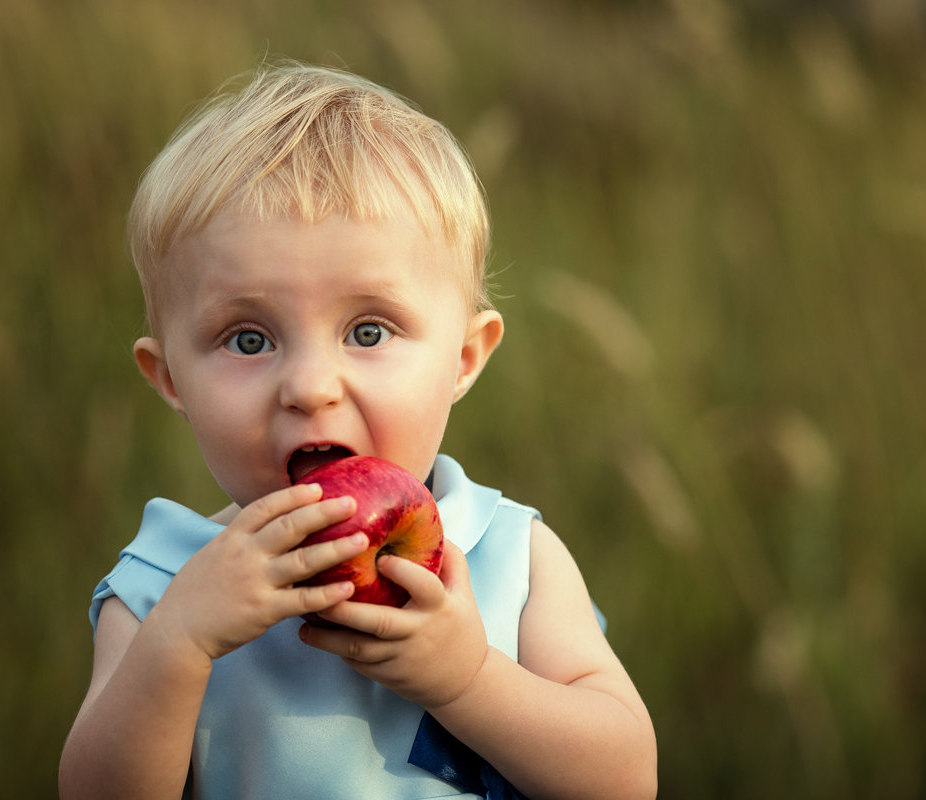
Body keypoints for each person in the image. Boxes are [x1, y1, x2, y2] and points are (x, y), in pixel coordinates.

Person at [58, 61, 657, 800]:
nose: (310, 387)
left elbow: (626, 781)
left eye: (368, 330)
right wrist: (179, 647)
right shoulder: (162, 584)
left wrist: (470, 679)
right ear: (172, 380)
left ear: (463, 359)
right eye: (249, 340)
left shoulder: (507, 554)